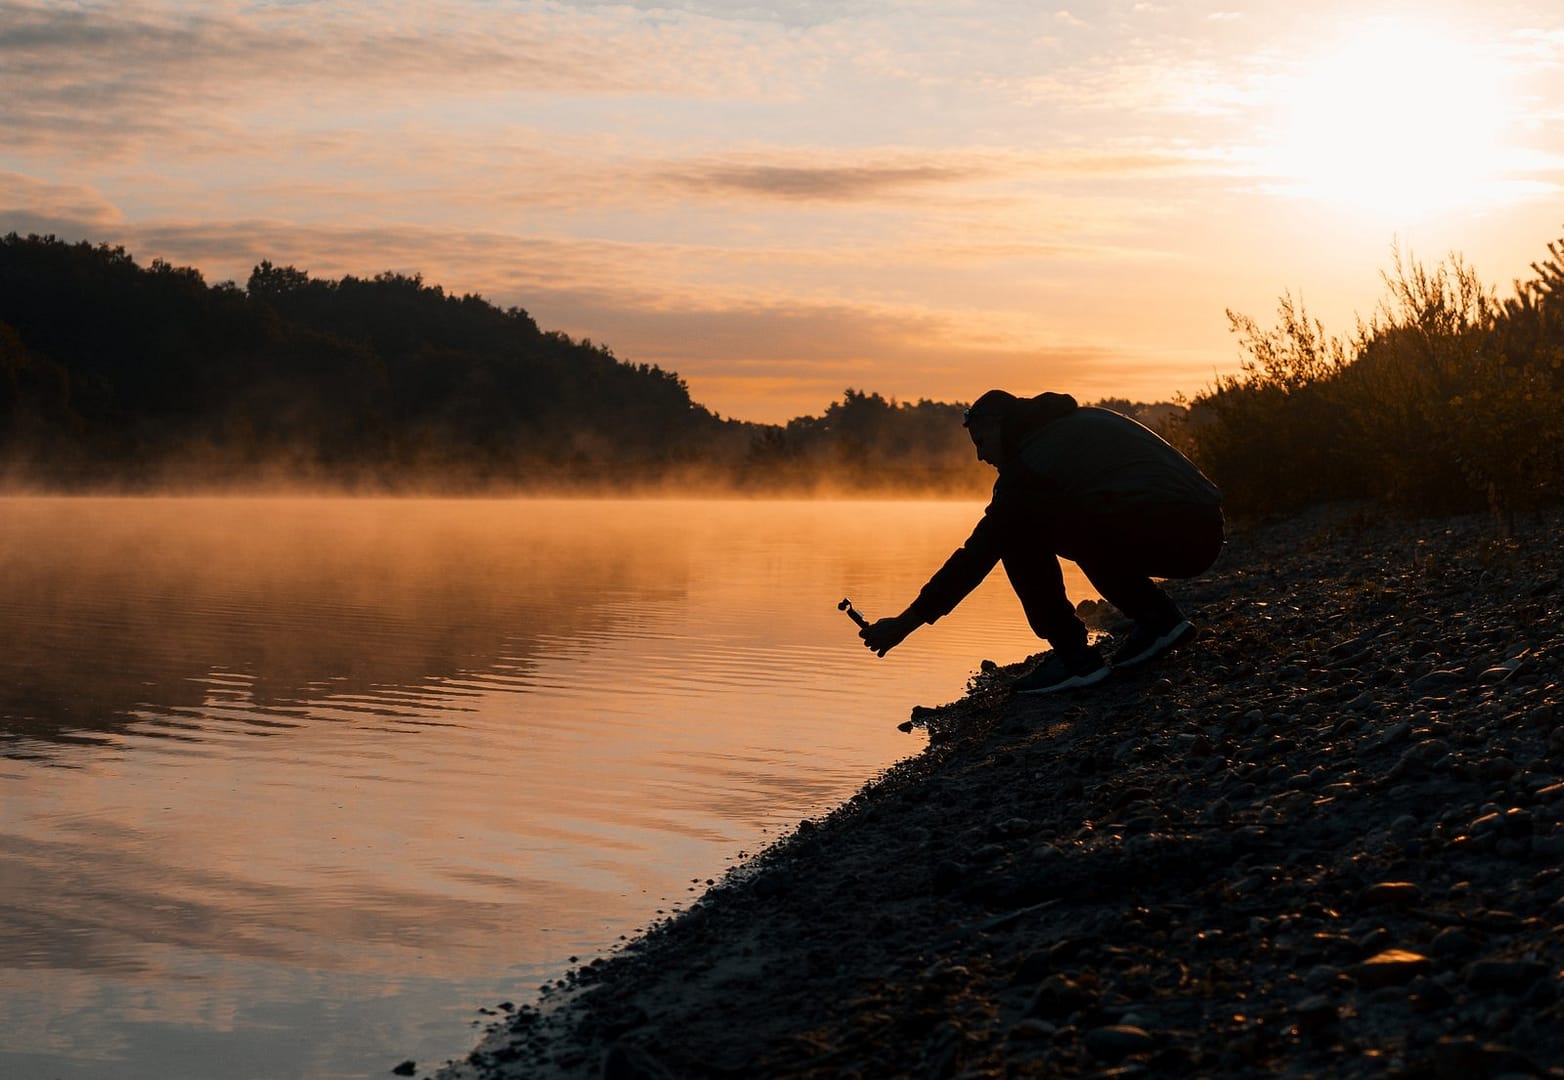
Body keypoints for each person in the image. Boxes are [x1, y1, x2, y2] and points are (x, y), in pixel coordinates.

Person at [858, 389, 1224, 694]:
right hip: (1204, 529)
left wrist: (904, 624)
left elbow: (975, 556)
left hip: (1176, 532)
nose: (980, 456)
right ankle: (1159, 619)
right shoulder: (1067, 426)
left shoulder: (1033, 461)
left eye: (981, 442)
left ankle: (1073, 657)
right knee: (1062, 517)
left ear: (999, 425)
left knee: (1013, 530)